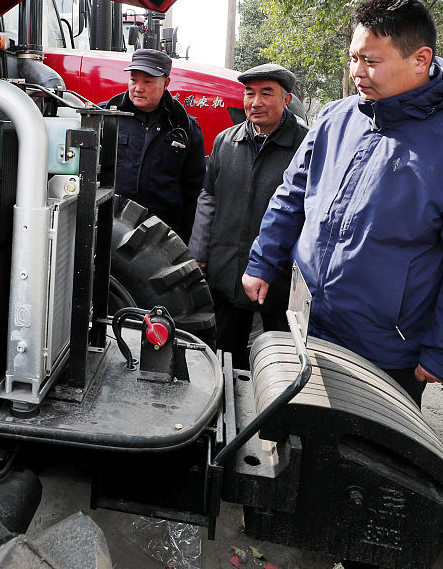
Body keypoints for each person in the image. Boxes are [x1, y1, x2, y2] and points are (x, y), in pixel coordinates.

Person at [242, 0, 443, 407]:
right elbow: (292, 196)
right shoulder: (337, 118)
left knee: (364, 461)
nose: (357, 71)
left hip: (386, 349)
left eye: (371, 61)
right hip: (307, 323)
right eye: (353, 58)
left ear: (420, 59)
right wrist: (263, 260)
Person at [189, 63, 307, 369]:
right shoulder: (225, 141)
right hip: (227, 272)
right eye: (249, 93)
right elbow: (209, 197)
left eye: (266, 93)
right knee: (226, 355)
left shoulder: (305, 146)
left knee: (283, 361)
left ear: (286, 99)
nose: (255, 102)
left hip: (279, 279)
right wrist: (199, 253)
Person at [106, 48, 205, 242]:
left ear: (166, 83)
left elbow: (194, 190)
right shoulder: (107, 117)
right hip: (110, 228)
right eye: (133, 80)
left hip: (162, 235)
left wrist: (187, 243)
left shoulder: (185, 127)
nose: (138, 88)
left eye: (148, 81)